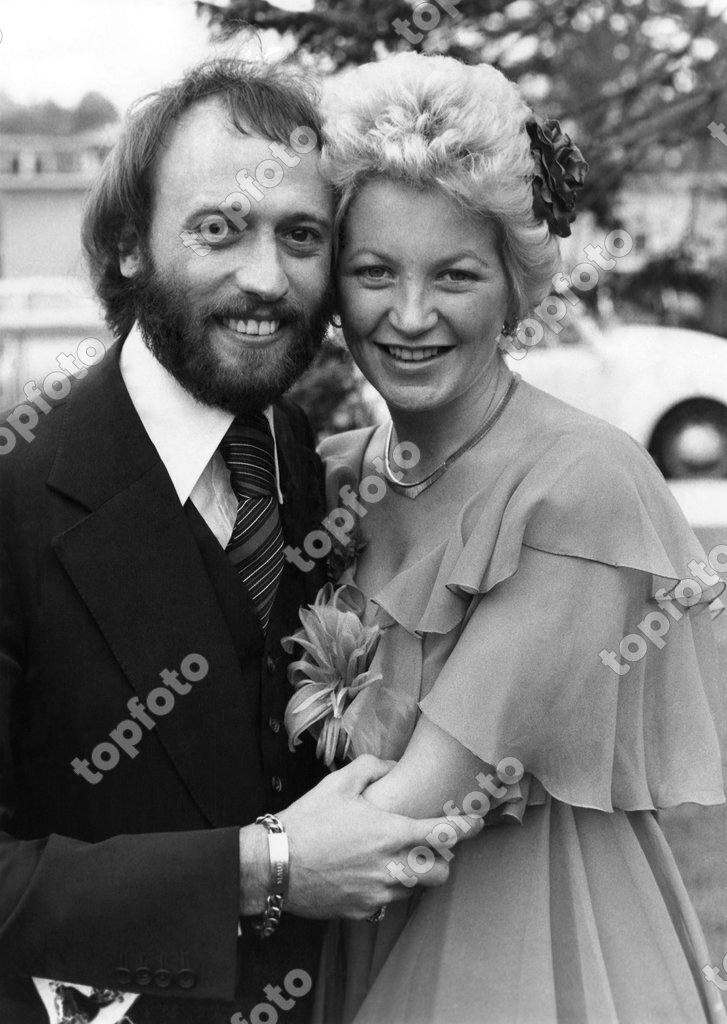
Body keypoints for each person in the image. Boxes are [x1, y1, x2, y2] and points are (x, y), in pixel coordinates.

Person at [0, 58, 480, 1024]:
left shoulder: (307, 463)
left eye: (301, 236)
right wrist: (266, 869)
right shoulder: (16, 501)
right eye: (219, 229)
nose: (266, 280)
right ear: (131, 246)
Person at [313, 52, 727, 1023]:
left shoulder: (581, 485)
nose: (408, 315)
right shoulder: (331, 474)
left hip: (529, 962)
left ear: (516, 285)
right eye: (373, 271)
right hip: (348, 935)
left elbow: (422, 802)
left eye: (454, 274)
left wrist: (207, 880)